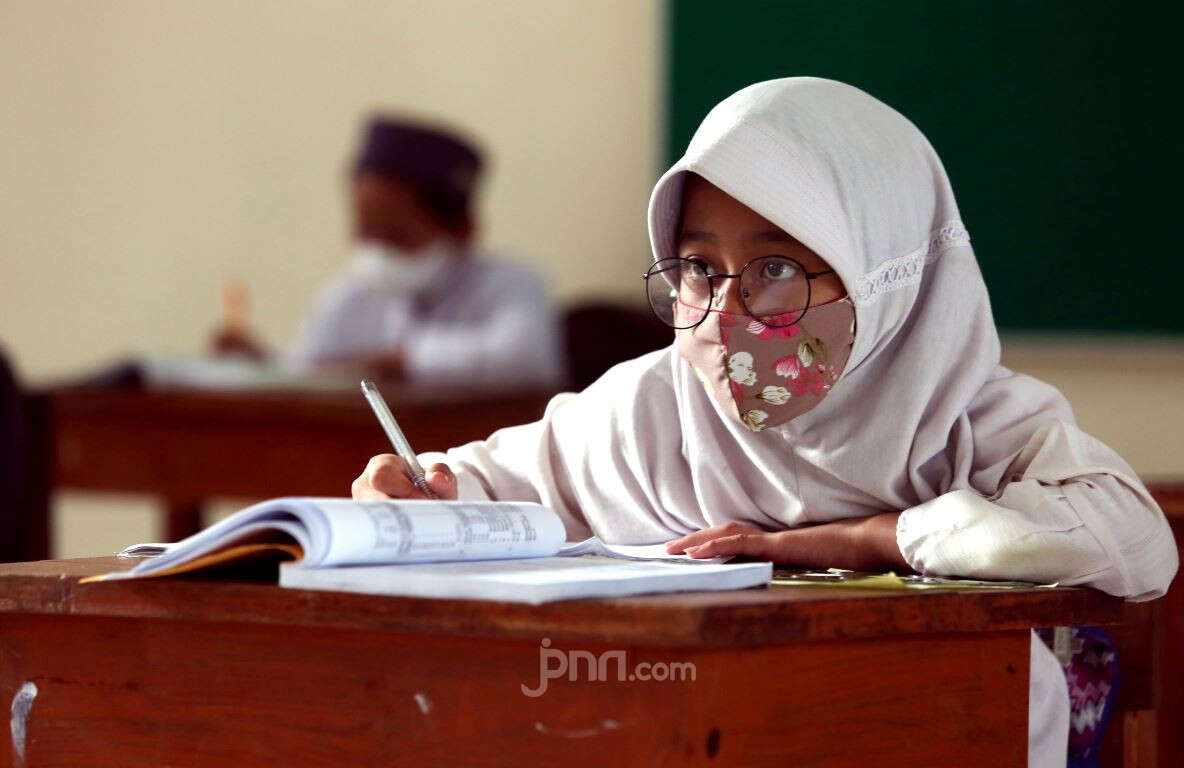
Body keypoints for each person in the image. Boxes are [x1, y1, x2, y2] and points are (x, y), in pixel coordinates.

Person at [349, 78, 1177, 765]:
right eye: (700, 268)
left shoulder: (967, 417)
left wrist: (867, 541)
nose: (725, 314)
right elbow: (487, 484)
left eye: (775, 267)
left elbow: (1137, 542)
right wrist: (418, 496)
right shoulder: (652, 408)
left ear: (881, 272)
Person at [219, 116, 564, 385]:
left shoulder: (511, 283)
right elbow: (308, 374)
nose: (377, 253)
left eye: (396, 236)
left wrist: (398, 361)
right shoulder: (349, 296)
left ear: (463, 230)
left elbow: (525, 358)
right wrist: (264, 367)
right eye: (365, 232)